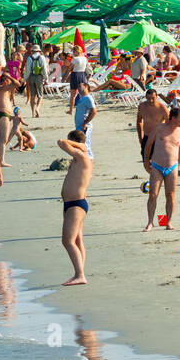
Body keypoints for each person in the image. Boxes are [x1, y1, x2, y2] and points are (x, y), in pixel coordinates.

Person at [57, 130, 92, 286]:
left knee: (67, 241)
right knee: (77, 240)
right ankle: (80, 273)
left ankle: (80, 275)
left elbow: (61, 142)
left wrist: (81, 146)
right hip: (71, 203)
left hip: (77, 204)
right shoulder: (78, 158)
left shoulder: (83, 156)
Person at [144, 107, 180, 231]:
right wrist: (146, 162)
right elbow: (148, 145)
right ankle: (150, 222)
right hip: (157, 166)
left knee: (170, 195)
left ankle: (169, 222)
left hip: (172, 167)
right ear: (173, 118)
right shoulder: (158, 129)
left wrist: (178, 165)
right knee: (153, 194)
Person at [135, 87, 170, 165]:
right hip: (147, 137)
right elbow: (139, 122)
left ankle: (157, 176)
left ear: (156, 97)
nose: (150, 101)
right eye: (148, 98)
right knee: (146, 161)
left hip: (158, 138)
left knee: (159, 161)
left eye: (153, 98)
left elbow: (169, 125)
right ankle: (153, 176)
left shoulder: (162, 108)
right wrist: (140, 138)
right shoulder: (142, 106)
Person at [73, 82, 97, 157]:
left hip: (85, 126)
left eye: (80, 86)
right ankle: (83, 159)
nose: (78, 88)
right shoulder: (82, 98)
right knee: (80, 144)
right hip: (79, 126)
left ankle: (89, 159)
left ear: (86, 87)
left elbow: (94, 111)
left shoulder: (88, 98)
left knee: (86, 144)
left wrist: (85, 123)